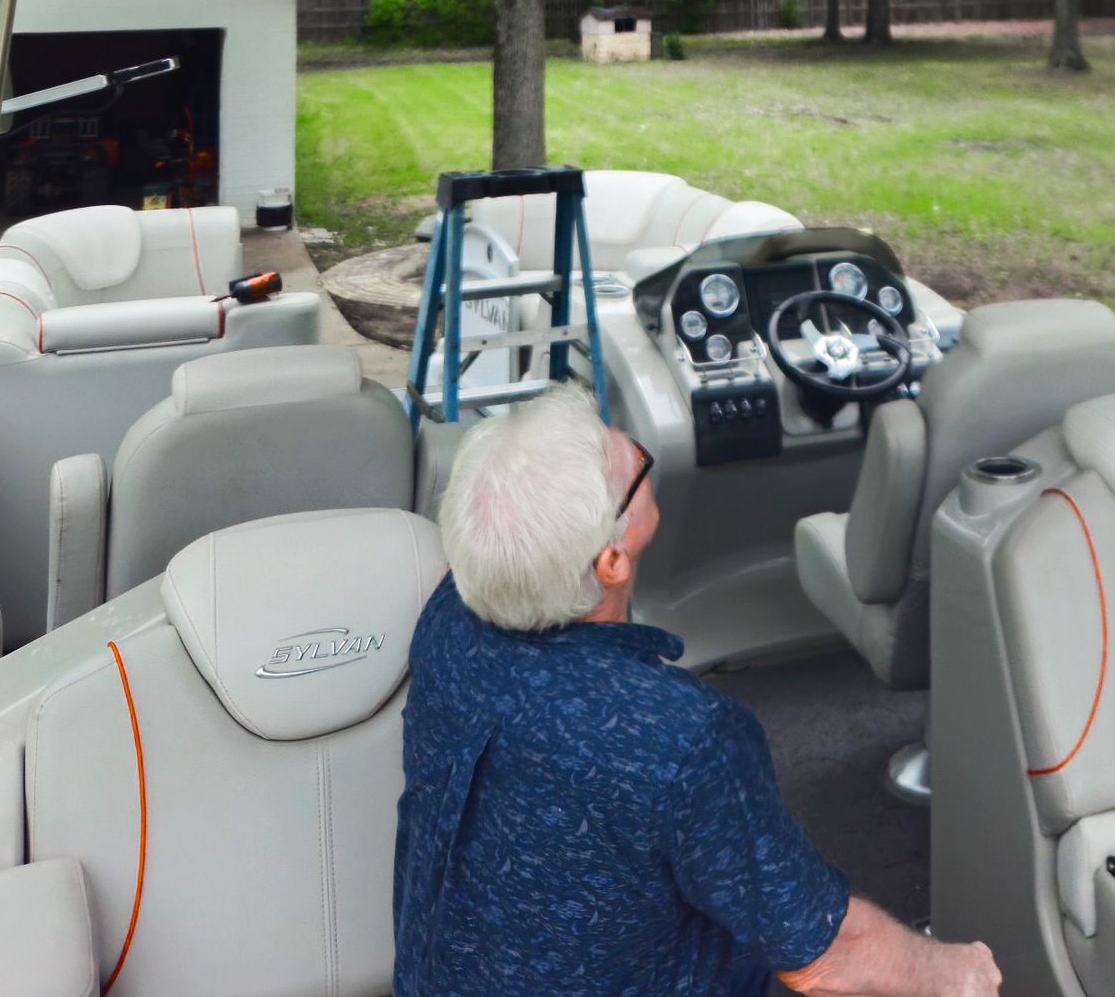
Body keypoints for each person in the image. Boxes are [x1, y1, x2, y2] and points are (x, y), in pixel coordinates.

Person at [394, 382, 1001, 997]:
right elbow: (826, 961)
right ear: (611, 562)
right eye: (631, 462)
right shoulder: (681, 738)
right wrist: (953, 972)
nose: (633, 446)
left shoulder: (446, 618)